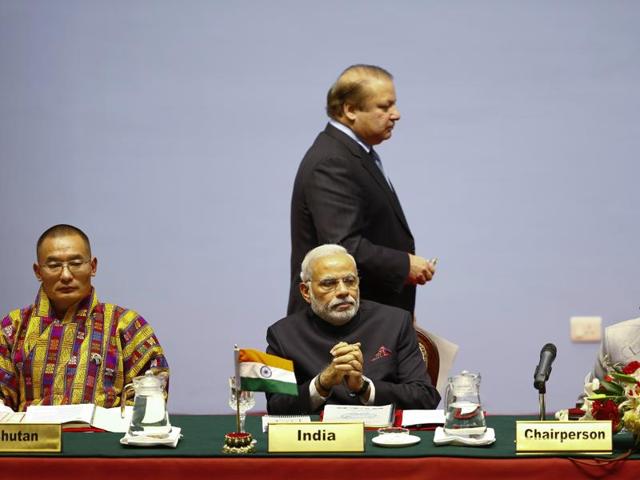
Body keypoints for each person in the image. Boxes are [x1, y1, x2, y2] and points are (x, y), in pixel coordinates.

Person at [288, 64, 437, 315]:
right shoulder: (333, 161)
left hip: (363, 320)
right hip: (339, 327)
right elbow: (343, 247)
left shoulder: (351, 154)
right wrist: (403, 265)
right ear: (350, 109)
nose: (396, 114)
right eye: (384, 106)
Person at [0, 224, 168, 412]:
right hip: (34, 439)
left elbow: (151, 395)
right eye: (54, 265)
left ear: (92, 266)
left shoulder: (126, 325)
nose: (65, 275)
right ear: (38, 272)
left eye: (76, 263)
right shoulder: (14, 326)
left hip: (103, 439)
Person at [268, 244, 440, 415]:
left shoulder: (395, 322)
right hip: (317, 439)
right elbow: (276, 406)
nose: (343, 291)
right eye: (329, 283)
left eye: (350, 281)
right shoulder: (282, 335)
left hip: (381, 436)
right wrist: (322, 383)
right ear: (306, 291)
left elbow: (425, 397)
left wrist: (364, 387)